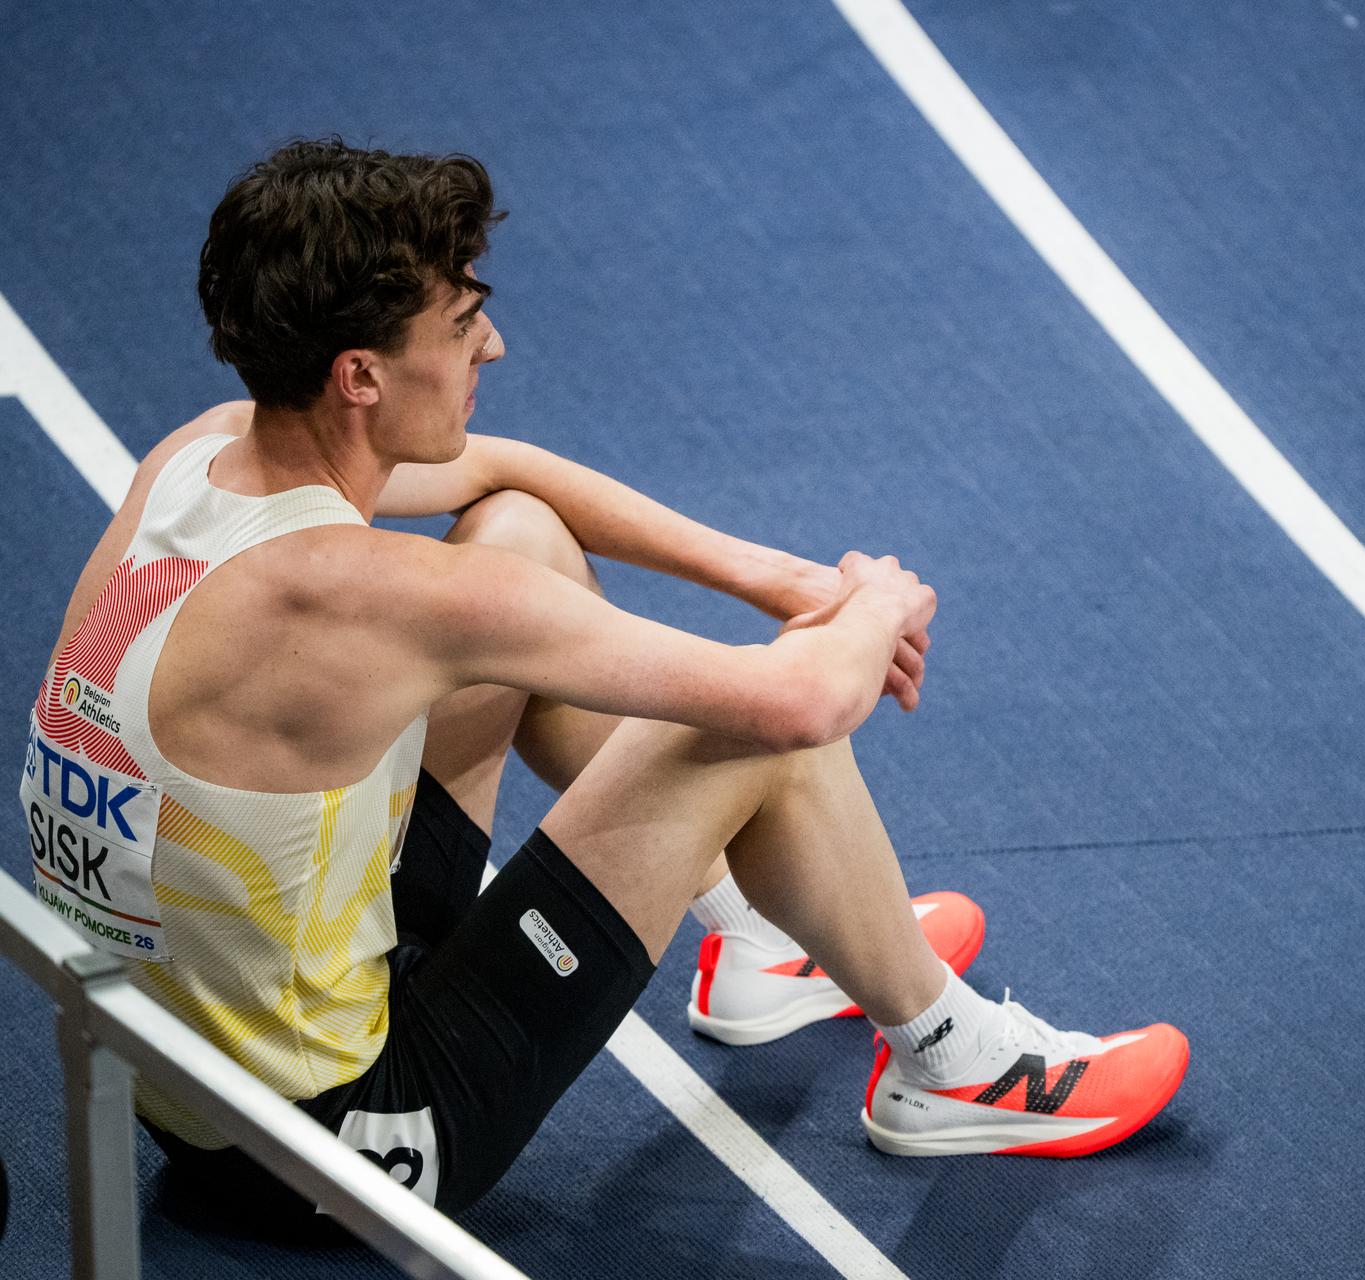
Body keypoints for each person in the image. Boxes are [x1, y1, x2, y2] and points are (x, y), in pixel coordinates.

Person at [21, 138, 1187, 1230]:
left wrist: (770, 573)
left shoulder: (203, 448)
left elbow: (515, 473)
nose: (494, 348)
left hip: (175, 1081)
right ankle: (957, 1059)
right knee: (745, 733)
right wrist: (874, 599)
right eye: (466, 321)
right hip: (341, 1146)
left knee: (519, 528)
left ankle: (755, 936)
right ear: (362, 374)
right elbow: (795, 704)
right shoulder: (368, 596)